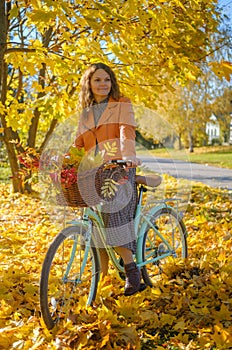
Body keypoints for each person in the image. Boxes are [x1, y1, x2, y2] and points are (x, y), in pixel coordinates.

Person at [74, 62, 144, 296]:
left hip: (119, 166)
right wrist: (65, 160)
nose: (103, 84)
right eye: (97, 80)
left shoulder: (122, 103)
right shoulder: (86, 112)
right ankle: (101, 280)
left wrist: (128, 155)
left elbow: (126, 130)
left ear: (111, 82)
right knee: (94, 224)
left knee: (113, 213)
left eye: (107, 79)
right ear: (89, 84)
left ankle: (131, 269)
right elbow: (78, 143)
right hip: (94, 171)